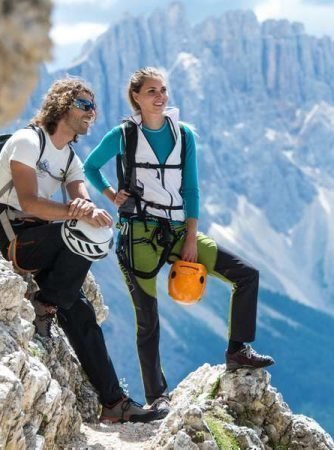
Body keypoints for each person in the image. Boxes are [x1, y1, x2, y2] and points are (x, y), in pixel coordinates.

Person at [84, 67, 274, 411]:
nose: (160, 96)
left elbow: (191, 189)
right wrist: (111, 195)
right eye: (152, 91)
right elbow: (90, 167)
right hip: (137, 237)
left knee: (246, 274)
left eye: (163, 90)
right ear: (136, 98)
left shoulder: (184, 135)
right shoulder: (123, 135)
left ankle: (238, 350)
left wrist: (190, 237)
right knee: (148, 321)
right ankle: (157, 398)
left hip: (175, 232)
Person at [0, 78, 167, 424]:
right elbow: (29, 201)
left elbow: (82, 201)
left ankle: (114, 403)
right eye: (85, 105)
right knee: (82, 231)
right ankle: (47, 303)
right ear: (62, 105)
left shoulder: (70, 157)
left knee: (82, 313)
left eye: (94, 106)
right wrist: (78, 213)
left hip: (45, 242)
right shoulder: (28, 141)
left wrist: (91, 212)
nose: (93, 112)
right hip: (11, 237)